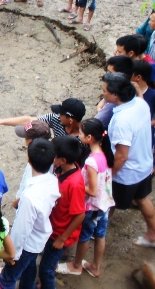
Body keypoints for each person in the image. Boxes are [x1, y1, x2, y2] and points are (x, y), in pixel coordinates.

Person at [56, 118, 115, 278]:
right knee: (100, 235)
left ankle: (76, 265)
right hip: (105, 204)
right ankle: (95, 266)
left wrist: (76, 186)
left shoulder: (91, 161)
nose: (79, 135)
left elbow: (93, 190)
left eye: (81, 133)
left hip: (93, 206)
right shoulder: (104, 154)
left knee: (85, 236)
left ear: (89, 138)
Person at [102, 72, 155, 247]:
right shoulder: (140, 103)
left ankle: (99, 229)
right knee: (142, 198)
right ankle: (152, 233)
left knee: (108, 200)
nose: (103, 93)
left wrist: (110, 175)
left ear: (115, 95)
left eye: (105, 90)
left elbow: (122, 155)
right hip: (144, 164)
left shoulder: (121, 120)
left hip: (127, 173)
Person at [0, 139, 60, 289]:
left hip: (26, 245)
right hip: (39, 237)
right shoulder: (52, 180)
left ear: (28, 159)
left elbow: (21, 230)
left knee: (7, 280)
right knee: (29, 267)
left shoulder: (29, 198)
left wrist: (12, 254)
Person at [38, 136, 86, 289]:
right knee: (47, 262)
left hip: (60, 234)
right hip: (53, 228)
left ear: (62, 160)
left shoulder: (75, 184)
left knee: (46, 269)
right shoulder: (63, 171)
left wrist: (62, 239)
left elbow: (80, 214)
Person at [13, 120, 53, 208]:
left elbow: (33, 186)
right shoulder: (47, 154)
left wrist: (18, 202)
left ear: (34, 141)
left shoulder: (38, 162)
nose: (24, 139)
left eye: (27, 137)